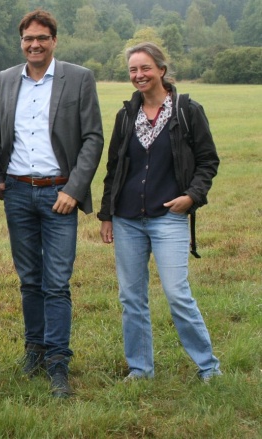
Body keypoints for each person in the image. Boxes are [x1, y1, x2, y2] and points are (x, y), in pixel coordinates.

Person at [0, 9, 103, 397]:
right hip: (17, 193)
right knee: (29, 281)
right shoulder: (6, 80)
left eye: (42, 38)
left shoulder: (78, 78)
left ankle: (58, 363)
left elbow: (92, 138)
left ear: (54, 40)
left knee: (56, 283)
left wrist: (74, 188)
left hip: (60, 196)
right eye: (28, 39)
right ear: (21, 42)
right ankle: (33, 351)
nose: (34, 45)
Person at [98, 42, 221, 383]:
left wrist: (191, 197)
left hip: (169, 218)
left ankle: (208, 367)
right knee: (131, 297)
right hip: (127, 220)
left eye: (146, 68)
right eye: (133, 70)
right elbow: (113, 168)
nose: (139, 75)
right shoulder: (126, 116)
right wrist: (107, 214)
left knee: (177, 294)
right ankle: (140, 369)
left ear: (162, 70)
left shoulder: (186, 110)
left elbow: (208, 161)